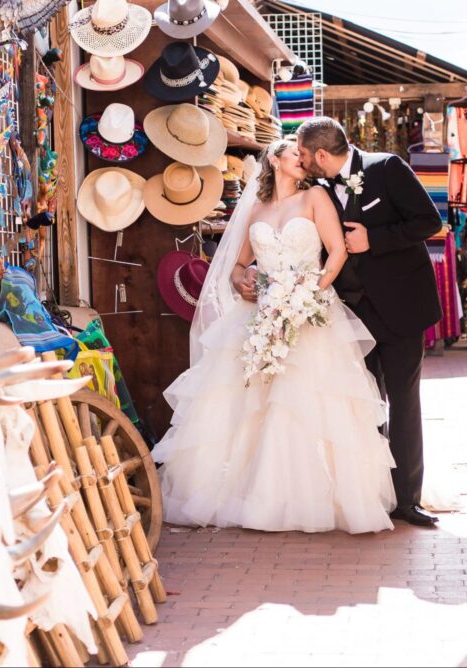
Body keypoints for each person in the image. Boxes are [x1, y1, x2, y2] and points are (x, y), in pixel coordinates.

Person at [150, 139, 397, 535]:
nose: (303, 159)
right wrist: (243, 280)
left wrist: (313, 289)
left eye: (305, 155)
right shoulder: (256, 209)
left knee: (304, 403)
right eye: (295, 154)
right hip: (259, 312)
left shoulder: (315, 197)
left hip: (310, 311)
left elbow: (336, 250)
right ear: (274, 159)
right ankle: (253, 493)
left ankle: (310, 497)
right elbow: (237, 265)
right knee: (250, 404)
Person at [295, 117, 444, 527]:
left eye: (305, 155)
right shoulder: (315, 188)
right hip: (349, 314)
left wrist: (373, 240)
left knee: (403, 403)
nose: (301, 161)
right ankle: (372, 492)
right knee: (362, 406)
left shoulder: (387, 168)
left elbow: (429, 223)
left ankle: (407, 499)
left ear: (322, 154)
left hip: (400, 310)